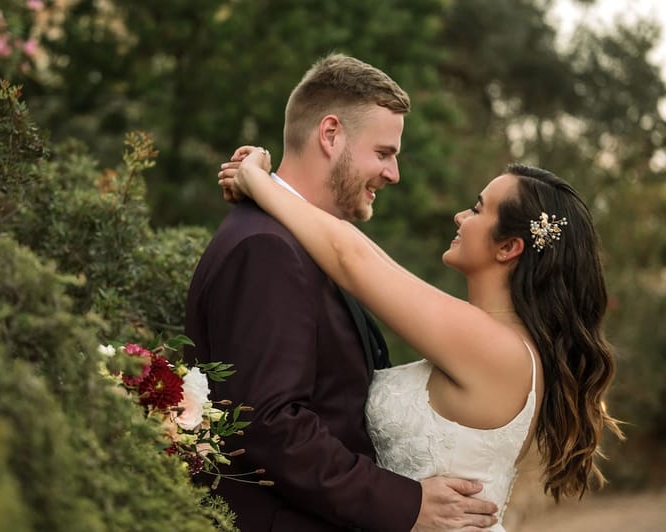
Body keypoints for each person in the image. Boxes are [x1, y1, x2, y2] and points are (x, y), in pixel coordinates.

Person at [218, 147, 624, 531]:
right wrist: (273, 185)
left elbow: (351, 259)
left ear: (508, 247)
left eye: (478, 209)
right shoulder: (491, 338)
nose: (460, 216)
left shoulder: (494, 346)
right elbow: (367, 255)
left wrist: (257, 179)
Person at [184, 53, 498, 532]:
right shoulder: (267, 248)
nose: (393, 174)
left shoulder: (300, 242)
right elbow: (270, 424)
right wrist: (405, 504)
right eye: (384, 153)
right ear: (330, 135)